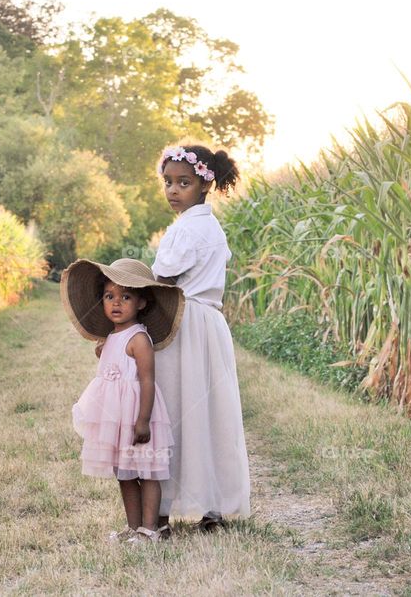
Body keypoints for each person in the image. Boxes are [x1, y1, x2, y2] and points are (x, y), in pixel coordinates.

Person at [150, 143, 251, 536]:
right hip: (209, 324)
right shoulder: (208, 226)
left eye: (184, 183)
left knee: (173, 406)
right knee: (210, 409)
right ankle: (214, 505)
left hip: (184, 321)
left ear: (205, 183)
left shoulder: (188, 229)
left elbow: (164, 274)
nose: (173, 191)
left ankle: (162, 508)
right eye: (168, 183)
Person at [60, 257, 186, 543]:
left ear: (141, 303)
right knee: (125, 473)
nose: (116, 303)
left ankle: (150, 529)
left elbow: (146, 380)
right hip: (115, 420)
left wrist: (143, 420)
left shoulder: (139, 339)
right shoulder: (109, 339)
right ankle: (133, 527)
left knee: (148, 472)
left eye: (125, 296)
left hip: (138, 417)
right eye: (109, 296)